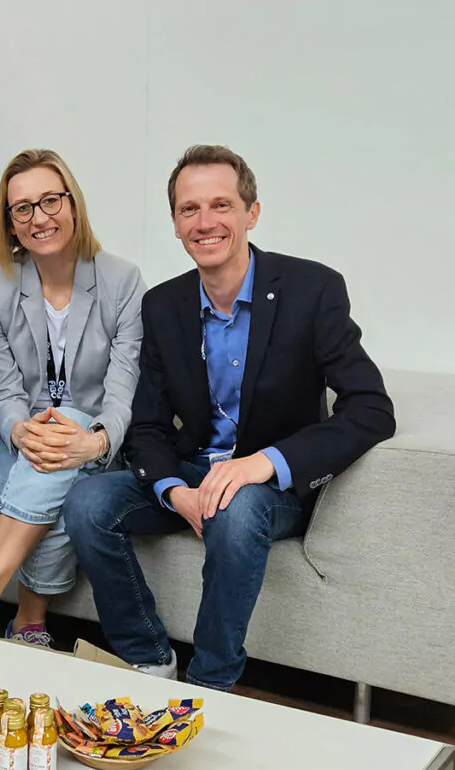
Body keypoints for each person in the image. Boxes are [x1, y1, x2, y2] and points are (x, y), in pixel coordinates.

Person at [65, 145, 396, 689]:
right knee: (87, 501)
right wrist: (176, 491)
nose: (205, 222)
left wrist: (265, 463)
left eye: (221, 204)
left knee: (238, 507)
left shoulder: (312, 290)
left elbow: (372, 409)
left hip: (272, 487)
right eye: (189, 209)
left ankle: (212, 683)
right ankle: (147, 656)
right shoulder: (164, 305)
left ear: (252, 213)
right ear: (174, 223)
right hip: (195, 472)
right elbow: (147, 424)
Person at [0, 149, 146, 646]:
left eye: (50, 201)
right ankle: (29, 623)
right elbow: (3, 390)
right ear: (10, 224)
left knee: (72, 436)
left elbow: (122, 393)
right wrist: (22, 430)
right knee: (64, 484)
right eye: (23, 208)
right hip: (5, 447)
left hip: (95, 449)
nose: (39, 217)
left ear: (73, 205)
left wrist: (93, 442)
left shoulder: (123, 282)